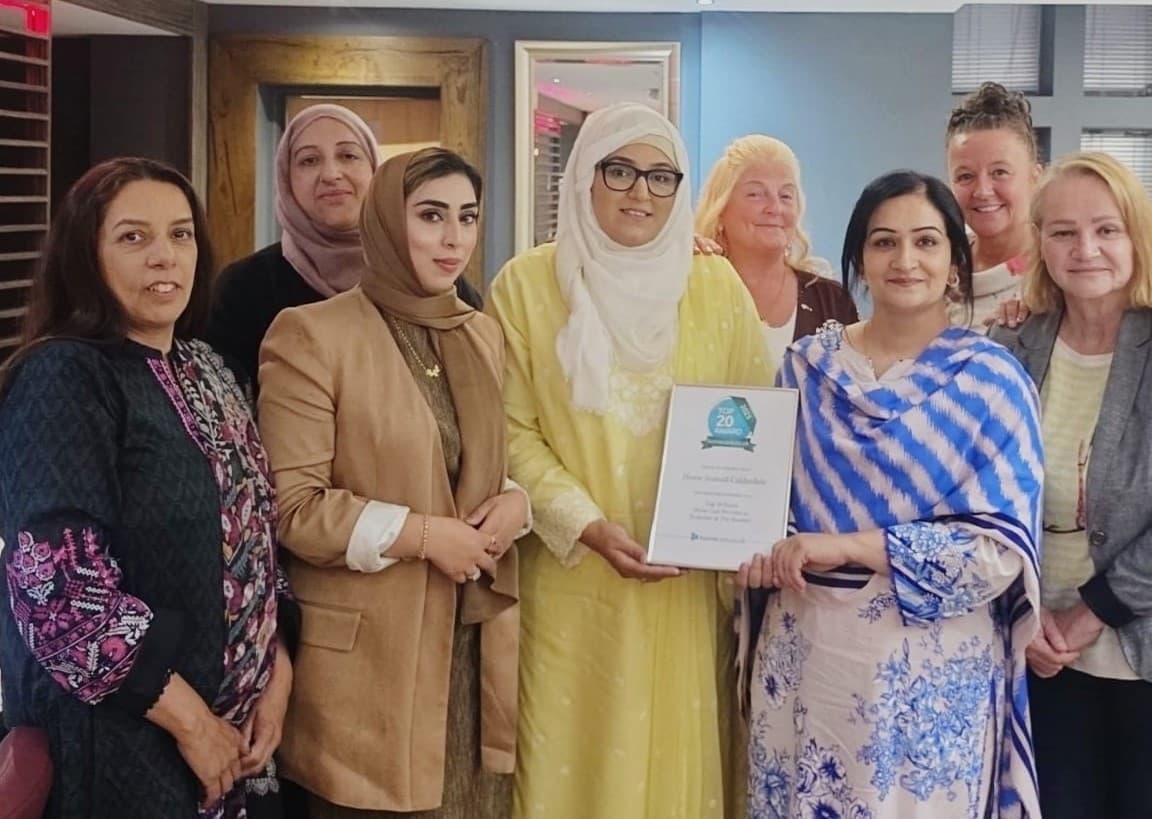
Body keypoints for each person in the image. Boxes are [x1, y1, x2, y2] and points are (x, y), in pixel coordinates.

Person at [487, 102, 772, 819]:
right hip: (574, 586)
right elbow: (509, 432)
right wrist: (586, 524)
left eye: (661, 176)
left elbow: (756, 428)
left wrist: (739, 528)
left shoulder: (716, 288)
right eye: (619, 170)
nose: (640, 192)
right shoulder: (524, 288)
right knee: (571, 769)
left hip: (688, 589)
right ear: (583, 175)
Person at [738, 170, 1044, 818]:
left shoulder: (993, 382)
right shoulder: (803, 369)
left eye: (927, 242)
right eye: (884, 242)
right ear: (859, 259)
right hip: (807, 663)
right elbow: (760, 507)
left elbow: (996, 554)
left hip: (930, 683)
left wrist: (845, 544)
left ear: (955, 263)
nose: (906, 260)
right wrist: (758, 548)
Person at [0, 157, 296, 818]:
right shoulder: (66, 376)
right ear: (86, 255)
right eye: (133, 237)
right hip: (127, 745)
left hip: (237, 742)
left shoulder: (205, 364)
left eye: (181, 235)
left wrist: (278, 674)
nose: (164, 256)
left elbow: (256, 532)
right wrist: (192, 722)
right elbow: (60, 592)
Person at [257, 147, 527, 818]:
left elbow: (480, 463)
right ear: (383, 221)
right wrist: (426, 535)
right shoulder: (312, 335)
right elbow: (293, 508)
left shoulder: (480, 333)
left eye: (466, 217)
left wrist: (516, 503)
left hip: (470, 658)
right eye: (430, 215)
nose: (452, 238)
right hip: (371, 675)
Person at [991, 152, 1152, 818]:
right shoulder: (1008, 347)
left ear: (1136, 237)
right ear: (1041, 246)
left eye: (1106, 230)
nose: (1085, 249)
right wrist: (1021, 618)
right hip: (1041, 659)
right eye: (1063, 232)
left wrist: (1090, 610)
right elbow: (979, 503)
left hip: (1138, 658)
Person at [204, 103, 482, 387]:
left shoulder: (440, 284)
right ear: (286, 178)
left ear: (375, 171)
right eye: (309, 160)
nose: (331, 174)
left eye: (348, 155)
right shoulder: (244, 287)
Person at [696, 134, 857, 364]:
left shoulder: (831, 301)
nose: (775, 207)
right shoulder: (691, 290)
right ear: (720, 209)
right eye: (755, 194)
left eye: (785, 195)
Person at [945, 81, 1042, 329]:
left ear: (1035, 178)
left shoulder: (1059, 273)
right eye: (965, 176)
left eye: (1000, 172)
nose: (983, 191)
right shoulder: (938, 263)